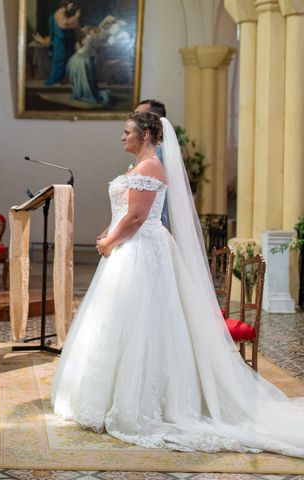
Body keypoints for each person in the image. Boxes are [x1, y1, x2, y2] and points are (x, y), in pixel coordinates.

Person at [50, 112, 304, 457]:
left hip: (141, 252)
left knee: (143, 324)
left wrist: (110, 242)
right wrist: (110, 234)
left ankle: (147, 401)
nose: (122, 137)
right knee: (119, 322)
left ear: (146, 135)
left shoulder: (151, 167)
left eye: (127, 132)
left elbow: (138, 217)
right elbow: (127, 214)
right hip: (132, 247)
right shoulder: (139, 167)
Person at [135, 99, 169, 227]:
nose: (134, 119)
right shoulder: (149, 149)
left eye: (139, 115)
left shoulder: (158, 151)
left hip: (148, 222)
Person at [66, 26, 111, 106]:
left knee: (86, 78)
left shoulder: (90, 38)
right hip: (81, 60)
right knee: (83, 78)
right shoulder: (88, 38)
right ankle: (81, 93)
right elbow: (84, 50)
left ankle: (83, 93)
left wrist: (81, 52)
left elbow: (86, 50)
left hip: (82, 59)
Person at [43, 1, 80, 86]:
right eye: (72, 4)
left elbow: (70, 25)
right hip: (60, 41)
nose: (73, 6)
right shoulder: (60, 12)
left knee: (64, 60)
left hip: (64, 40)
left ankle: (58, 79)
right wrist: (76, 17)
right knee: (60, 60)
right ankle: (54, 81)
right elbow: (63, 25)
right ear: (66, 4)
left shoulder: (66, 13)